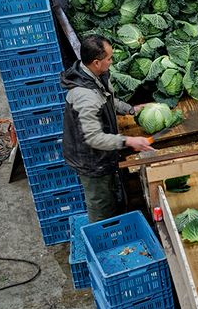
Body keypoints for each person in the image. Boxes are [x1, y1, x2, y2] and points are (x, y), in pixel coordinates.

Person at [61, 35, 154, 223]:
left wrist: (130, 109)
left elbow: (108, 100)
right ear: (96, 62)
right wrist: (127, 140)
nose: (111, 62)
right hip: (91, 161)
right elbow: (94, 138)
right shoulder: (85, 97)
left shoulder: (96, 75)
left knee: (114, 199)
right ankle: (104, 243)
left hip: (104, 156)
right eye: (109, 58)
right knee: (101, 209)